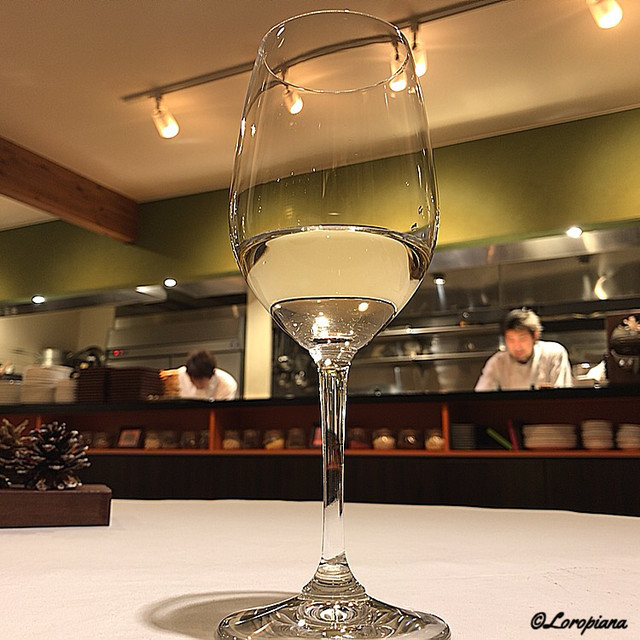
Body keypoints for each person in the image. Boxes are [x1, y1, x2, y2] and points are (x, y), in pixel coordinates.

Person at [475, 308, 573, 391]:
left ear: (535, 335)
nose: (517, 346)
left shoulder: (553, 353)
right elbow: (481, 398)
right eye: (511, 339)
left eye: (522, 338)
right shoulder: (497, 362)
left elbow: (562, 396)